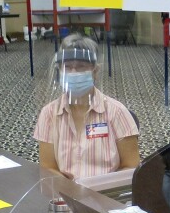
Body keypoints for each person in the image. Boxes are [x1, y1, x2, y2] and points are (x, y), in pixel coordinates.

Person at [33, 33, 139, 179]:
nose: (73, 73)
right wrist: (72, 192)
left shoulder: (117, 112)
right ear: (60, 70)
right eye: (68, 67)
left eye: (81, 67)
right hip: (65, 196)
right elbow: (47, 168)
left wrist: (99, 190)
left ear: (95, 71)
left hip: (108, 196)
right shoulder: (49, 114)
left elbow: (131, 167)